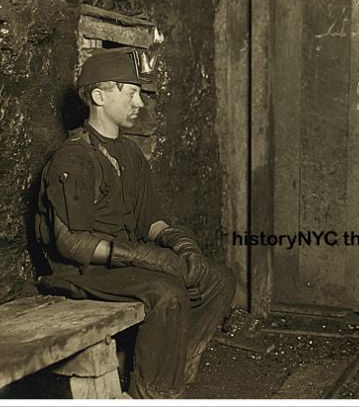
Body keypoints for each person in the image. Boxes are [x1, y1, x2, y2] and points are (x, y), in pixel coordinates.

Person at [35, 49, 235, 399]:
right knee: (168, 294)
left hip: (122, 266)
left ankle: (170, 374)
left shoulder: (130, 154)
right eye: (131, 92)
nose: (139, 102)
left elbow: (150, 222)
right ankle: (150, 394)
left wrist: (181, 244)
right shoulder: (74, 157)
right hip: (82, 270)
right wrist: (140, 257)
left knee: (218, 279)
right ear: (100, 96)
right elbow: (71, 243)